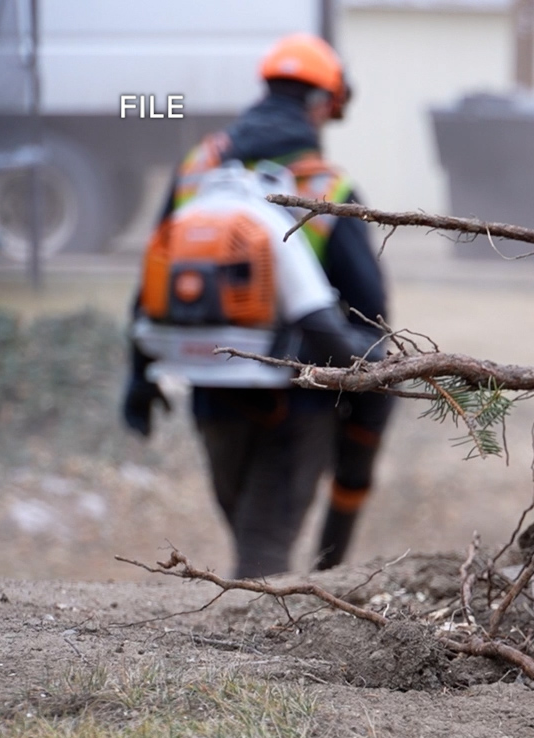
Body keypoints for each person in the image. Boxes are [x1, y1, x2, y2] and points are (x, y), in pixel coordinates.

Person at [121, 33, 392, 577]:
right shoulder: (328, 188)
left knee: (251, 532)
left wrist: (139, 376)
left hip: (211, 393)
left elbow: (152, 277)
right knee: (264, 549)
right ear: (321, 105)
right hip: (301, 401)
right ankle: (278, 635)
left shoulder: (197, 171)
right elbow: (371, 316)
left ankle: (299, 599)